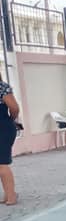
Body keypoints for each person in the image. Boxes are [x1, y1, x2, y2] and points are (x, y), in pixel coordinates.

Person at [0, 70, 20, 205]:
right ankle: (8, 194)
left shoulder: (2, 87)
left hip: (3, 128)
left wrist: (9, 120)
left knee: (2, 163)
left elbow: (14, 108)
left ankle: (11, 195)